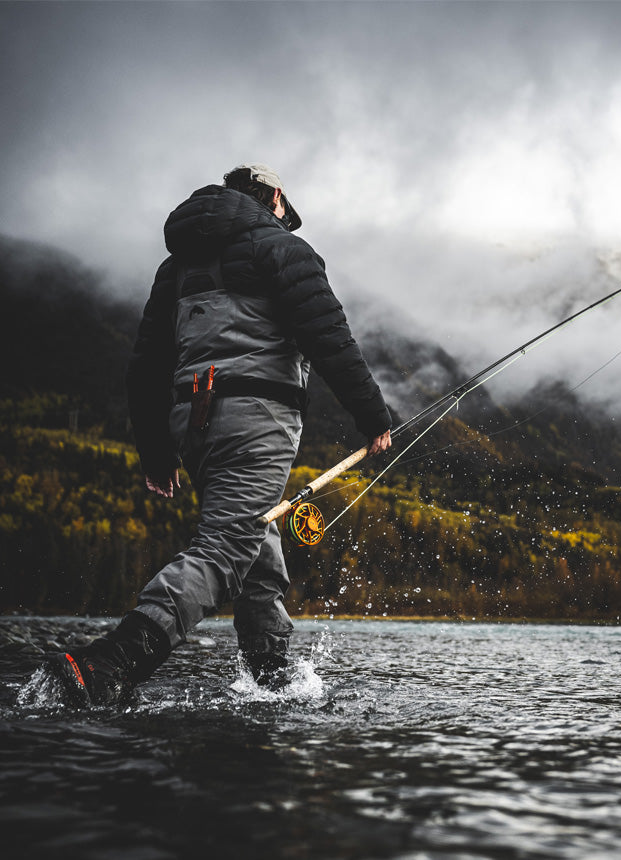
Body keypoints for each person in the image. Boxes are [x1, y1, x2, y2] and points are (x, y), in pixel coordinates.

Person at [48, 163, 392, 706]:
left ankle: (271, 679)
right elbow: (329, 338)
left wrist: (157, 452)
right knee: (228, 546)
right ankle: (109, 663)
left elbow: (145, 367)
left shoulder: (176, 267)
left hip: (193, 423)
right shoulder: (283, 250)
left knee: (255, 540)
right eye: (286, 208)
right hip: (256, 420)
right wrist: (374, 418)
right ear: (275, 197)